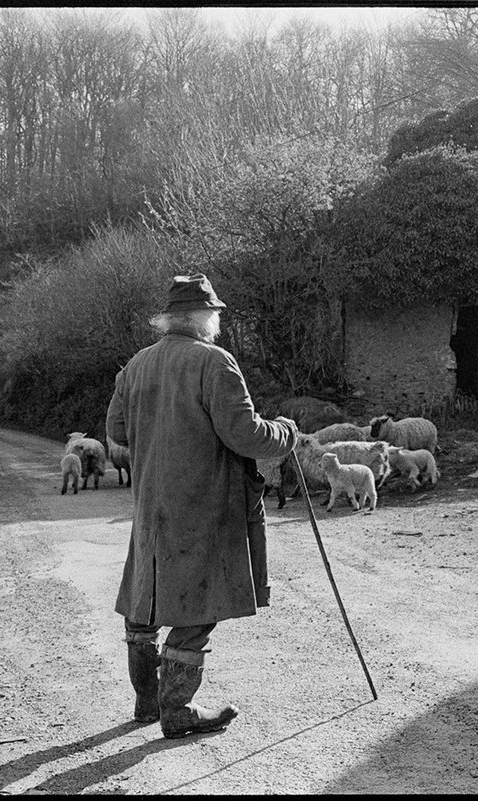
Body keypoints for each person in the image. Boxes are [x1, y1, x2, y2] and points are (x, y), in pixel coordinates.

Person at [106, 273, 298, 738]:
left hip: (151, 503)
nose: (217, 322)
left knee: (146, 599)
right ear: (202, 317)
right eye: (214, 314)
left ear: (170, 319)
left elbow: (117, 432)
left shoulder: (136, 365)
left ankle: (147, 703)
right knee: (198, 605)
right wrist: (286, 431)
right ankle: (177, 711)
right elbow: (247, 436)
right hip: (203, 504)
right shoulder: (215, 362)